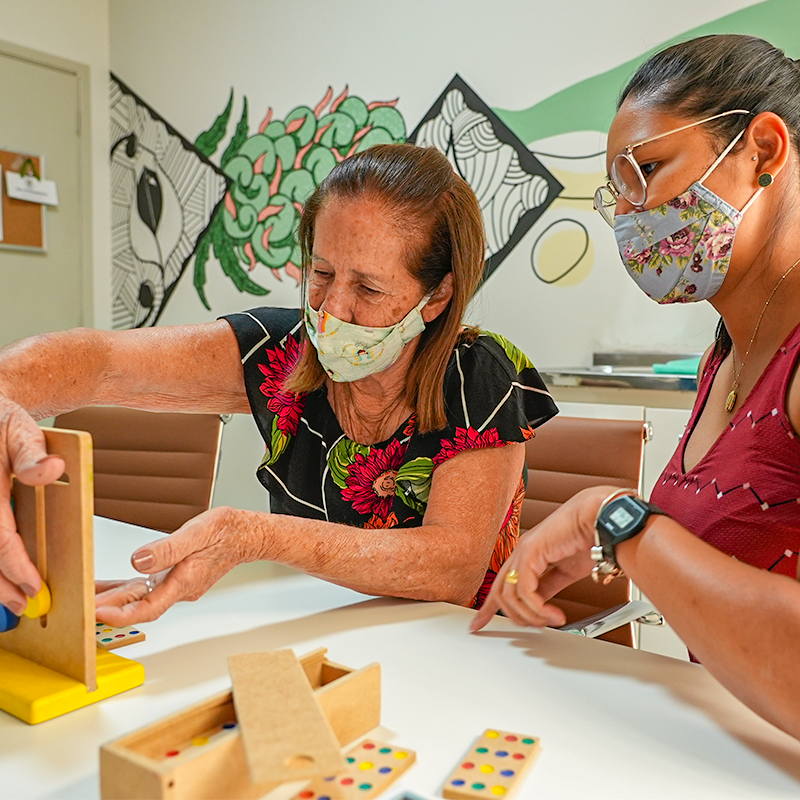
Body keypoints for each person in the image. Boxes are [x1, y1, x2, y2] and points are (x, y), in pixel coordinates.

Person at [0, 143, 557, 624]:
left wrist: (257, 536)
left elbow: (450, 570)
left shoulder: (482, 374)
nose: (332, 309)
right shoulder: (279, 351)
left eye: (368, 289)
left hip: (463, 651)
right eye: (321, 274)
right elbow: (97, 360)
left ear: (436, 296)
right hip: (306, 623)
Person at [472, 34, 800, 741]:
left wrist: (618, 522)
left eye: (646, 170)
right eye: (616, 190)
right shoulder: (728, 354)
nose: (629, 213)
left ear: (764, 152)